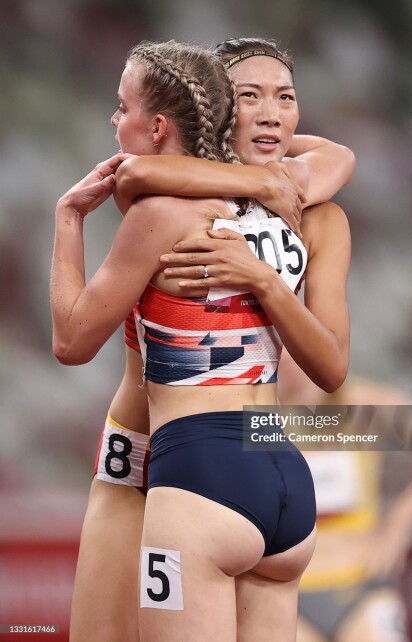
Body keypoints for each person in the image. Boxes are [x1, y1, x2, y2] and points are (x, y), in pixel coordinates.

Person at [51, 38, 352, 641]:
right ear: (219, 111)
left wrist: (67, 217)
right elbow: (336, 157)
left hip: (169, 456)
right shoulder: (304, 205)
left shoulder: (162, 205)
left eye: (285, 98)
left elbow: (72, 339)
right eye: (250, 97)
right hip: (271, 458)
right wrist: (267, 185)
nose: (271, 113)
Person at [275, 349, 412, 642]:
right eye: (278, 348)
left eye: (296, 346)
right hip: (283, 592)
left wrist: (400, 520)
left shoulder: (361, 402)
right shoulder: (253, 413)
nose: (289, 359)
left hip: (360, 584)